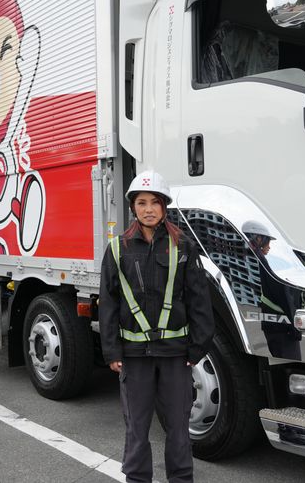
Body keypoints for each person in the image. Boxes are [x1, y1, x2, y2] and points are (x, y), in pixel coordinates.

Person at [99, 170, 214, 483]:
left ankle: (181, 478)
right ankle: (137, 479)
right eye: (141, 203)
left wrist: (197, 348)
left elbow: (199, 300)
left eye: (154, 202)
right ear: (133, 208)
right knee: (136, 427)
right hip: (134, 356)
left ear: (164, 206)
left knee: (178, 427)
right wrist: (112, 350)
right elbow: (108, 303)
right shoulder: (118, 249)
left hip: (175, 355)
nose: (148, 209)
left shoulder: (183, 246)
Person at [241, 220, 301, 361]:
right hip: (282, 328)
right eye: (267, 241)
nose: (269, 246)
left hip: (270, 326)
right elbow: (283, 296)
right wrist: (295, 327)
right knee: (291, 364)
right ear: (258, 239)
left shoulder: (248, 260)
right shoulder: (264, 263)